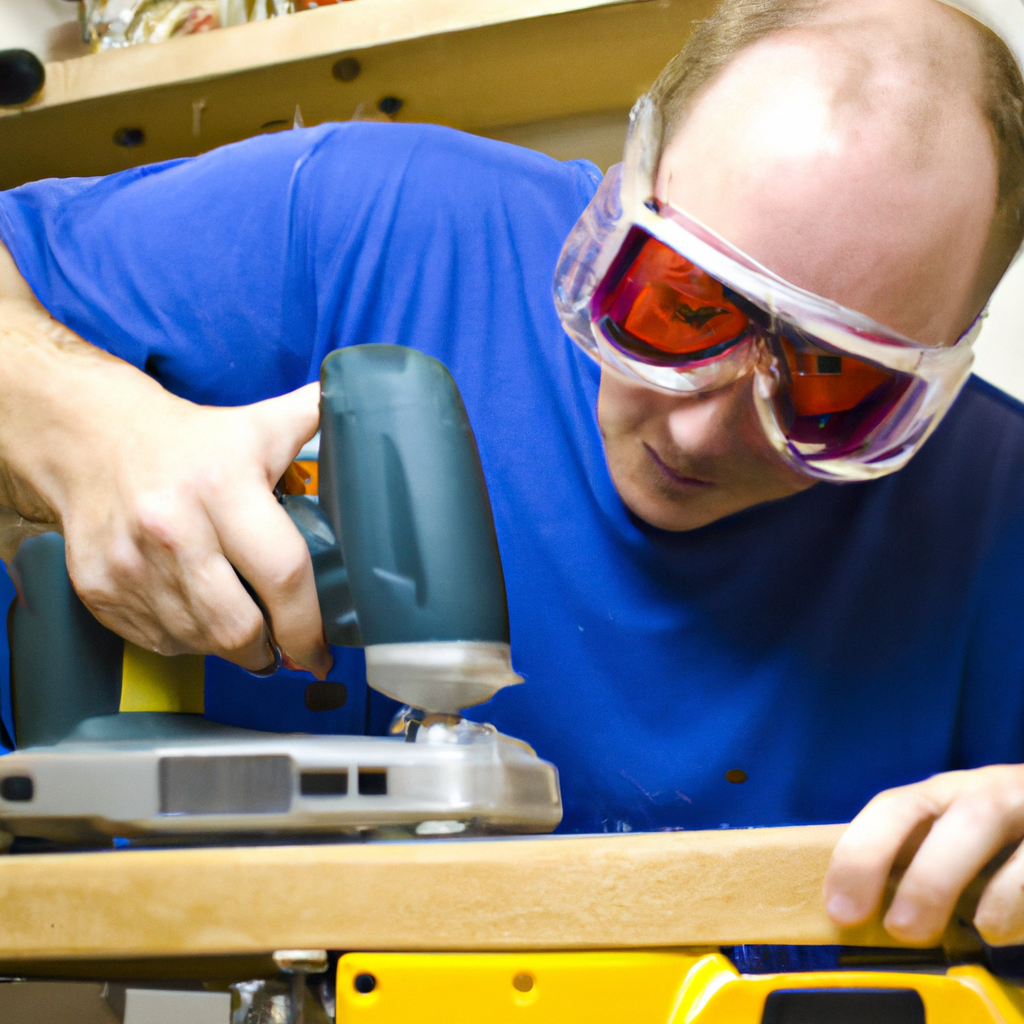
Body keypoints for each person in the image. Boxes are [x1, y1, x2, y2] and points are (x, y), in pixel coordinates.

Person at [1, 0, 1023, 948]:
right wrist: (86, 427)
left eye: (832, 379)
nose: (704, 429)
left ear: (938, 369)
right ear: (628, 189)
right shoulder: (373, 223)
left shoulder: (998, 509)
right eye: (681, 304)